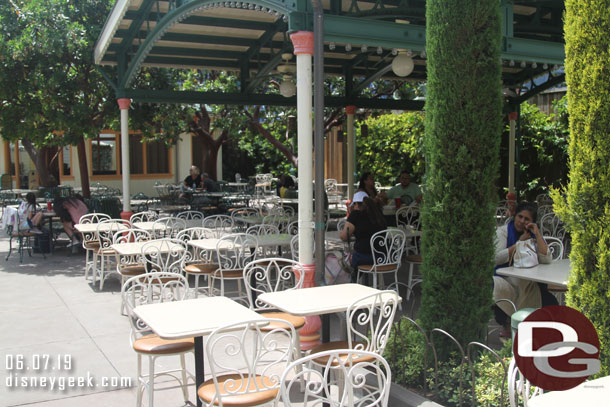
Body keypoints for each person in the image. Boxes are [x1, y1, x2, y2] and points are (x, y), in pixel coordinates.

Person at [493, 201, 556, 336]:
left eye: (526, 219)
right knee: (495, 292)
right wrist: (518, 244)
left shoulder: (532, 234)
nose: (522, 221)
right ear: (515, 216)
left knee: (552, 303)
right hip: (506, 279)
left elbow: (547, 259)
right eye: (520, 217)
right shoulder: (503, 232)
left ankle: (538, 332)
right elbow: (496, 258)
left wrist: (538, 235)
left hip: (529, 282)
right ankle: (510, 324)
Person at [340, 191, 387, 282]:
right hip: (383, 257)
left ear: (356, 205)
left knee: (353, 257)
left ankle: (355, 283)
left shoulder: (356, 215)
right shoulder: (378, 214)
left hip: (365, 258)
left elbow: (344, 237)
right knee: (359, 251)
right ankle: (366, 284)